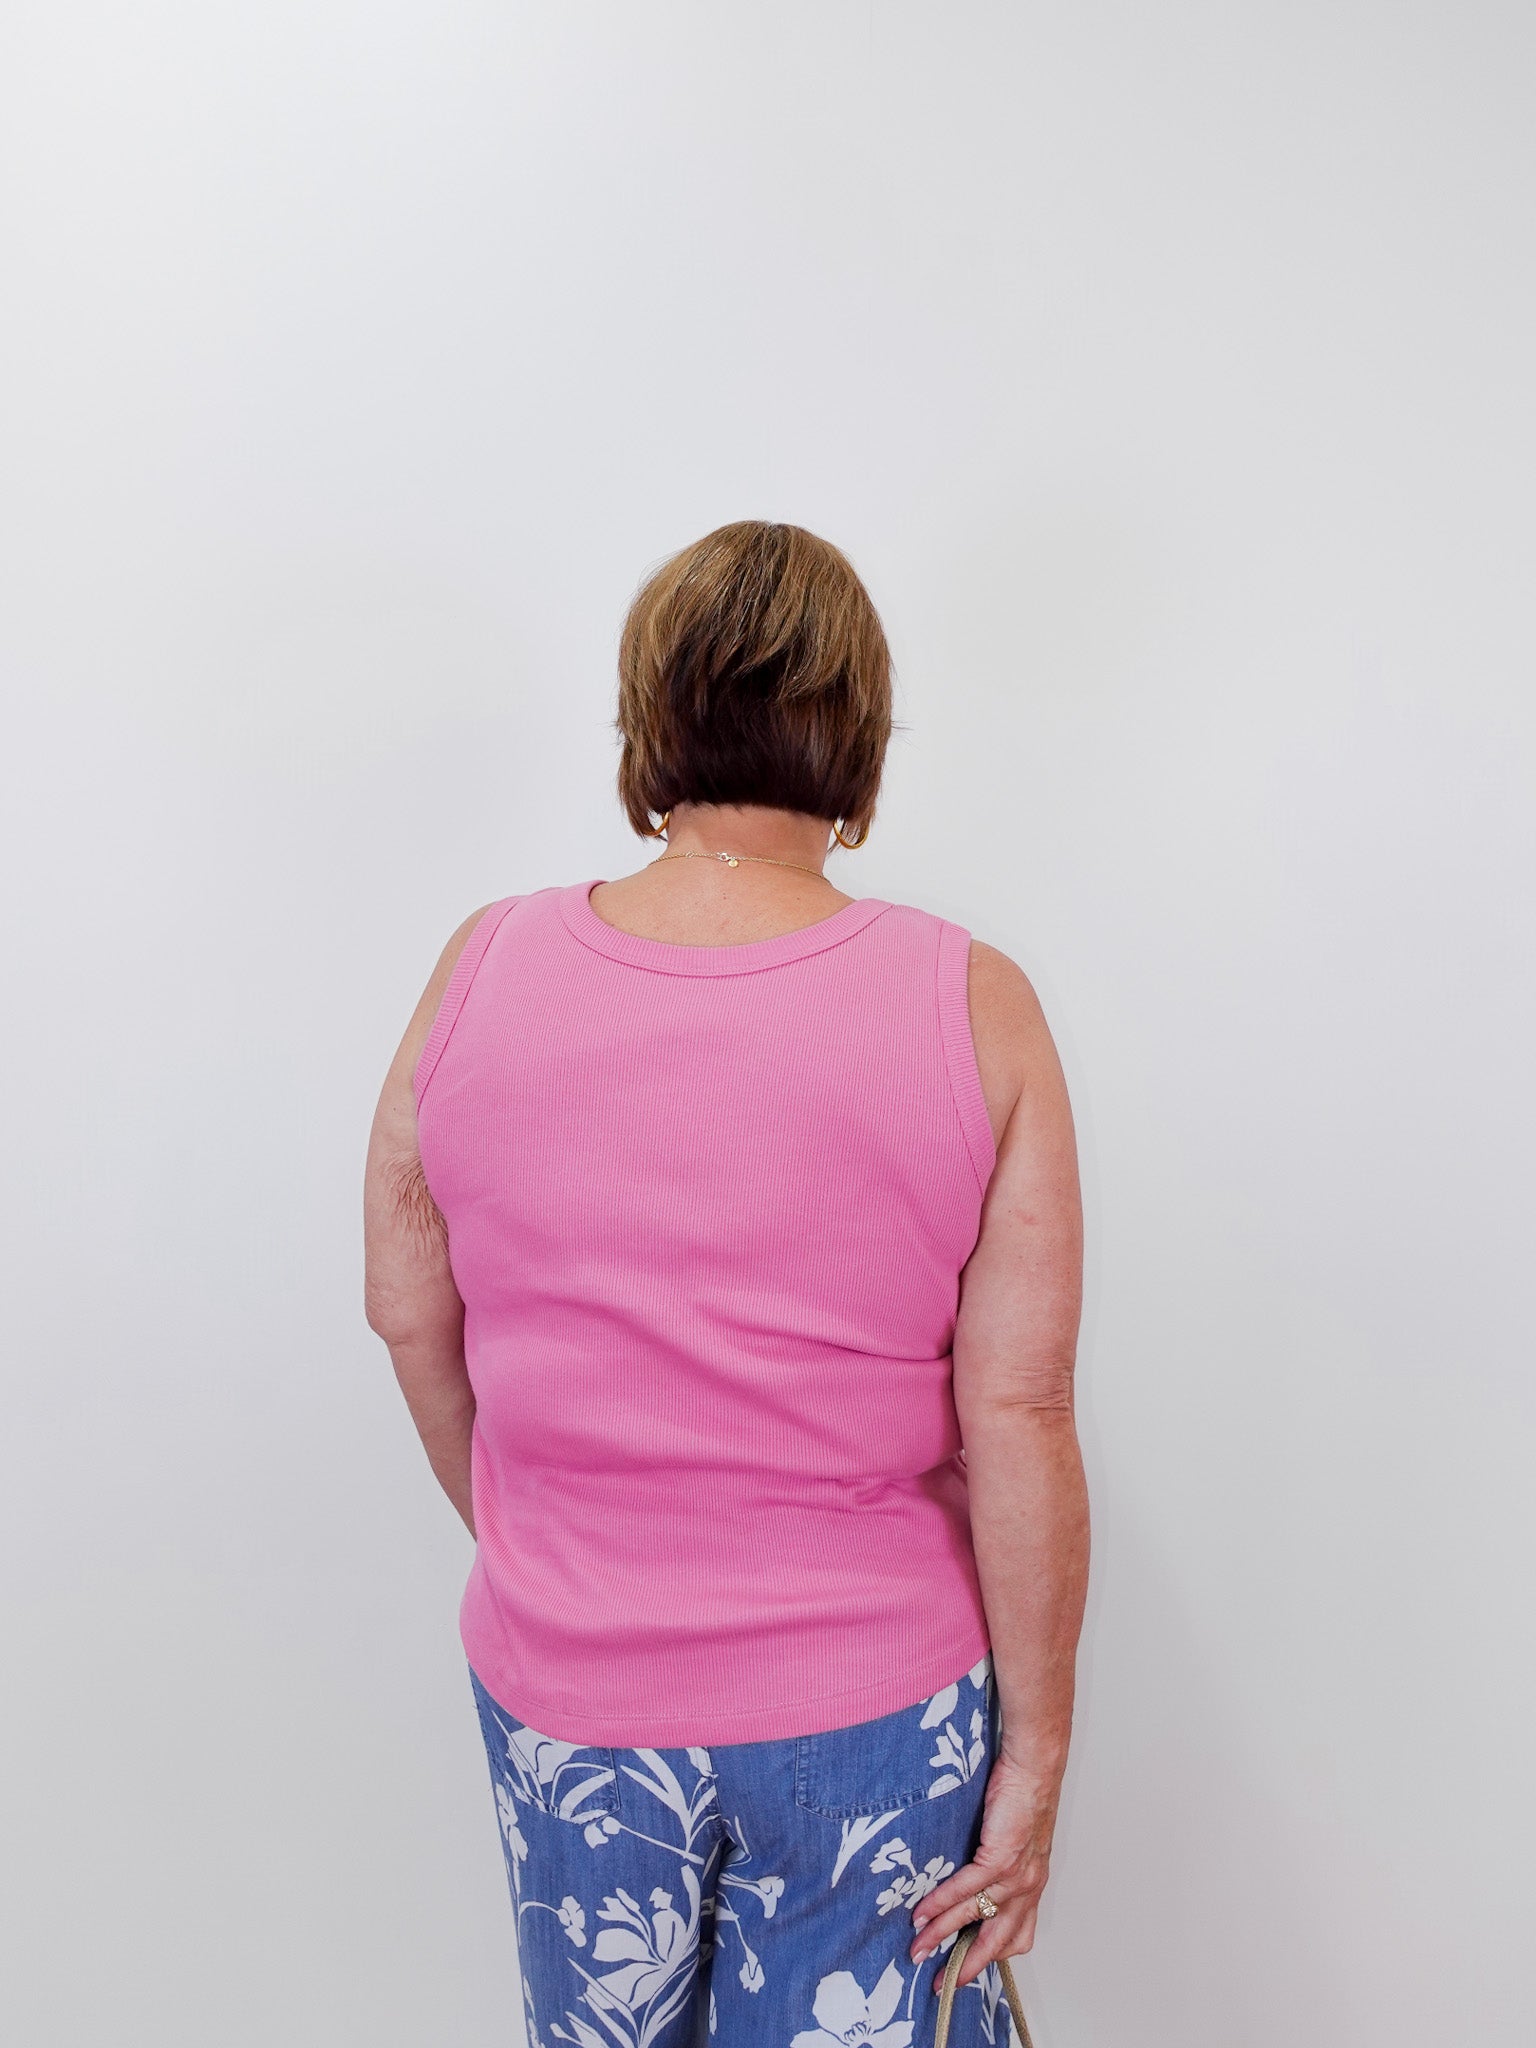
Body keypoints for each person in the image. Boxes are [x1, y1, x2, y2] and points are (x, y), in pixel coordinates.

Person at [363, 520, 1088, 2046]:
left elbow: (409, 1306)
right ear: (864, 746)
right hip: (872, 1708)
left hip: (571, 1696)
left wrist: (547, 1538)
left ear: (650, 723)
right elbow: (1015, 1407)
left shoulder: (481, 965)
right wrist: (1033, 1766)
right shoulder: (976, 1002)